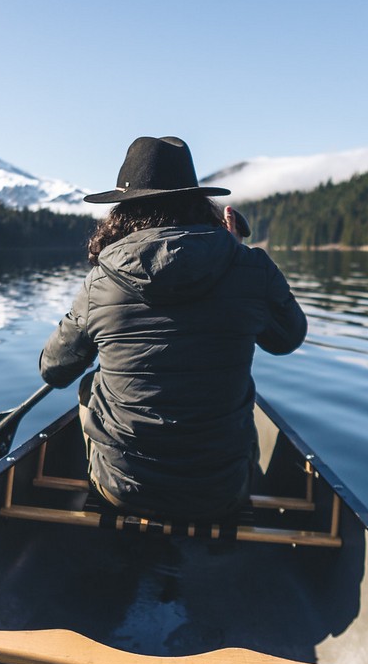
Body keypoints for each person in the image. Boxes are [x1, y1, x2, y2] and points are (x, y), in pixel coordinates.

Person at [39, 136, 307, 520]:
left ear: (123, 213)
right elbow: (286, 339)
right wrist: (240, 256)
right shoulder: (251, 268)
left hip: (122, 492)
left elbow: (53, 371)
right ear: (199, 202)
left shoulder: (101, 283)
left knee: (90, 385)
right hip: (221, 492)